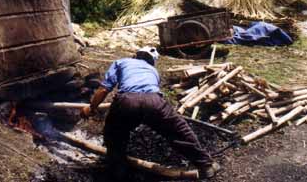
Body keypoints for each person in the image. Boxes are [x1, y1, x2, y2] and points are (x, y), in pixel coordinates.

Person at [81, 47, 220, 179]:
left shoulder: (122, 62)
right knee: (179, 132)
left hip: (127, 100)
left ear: (135, 55)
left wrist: (91, 108)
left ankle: (118, 170)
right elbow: (147, 93)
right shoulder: (153, 71)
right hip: (155, 102)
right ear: (152, 61)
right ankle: (205, 164)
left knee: (114, 134)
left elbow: (104, 89)